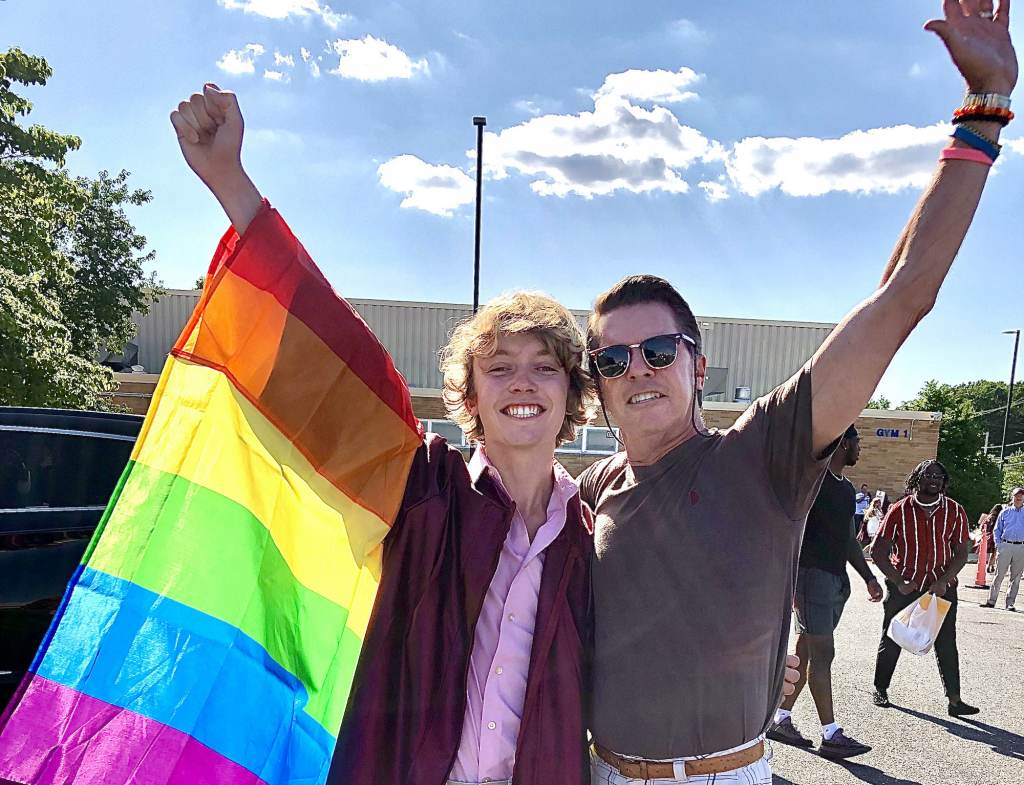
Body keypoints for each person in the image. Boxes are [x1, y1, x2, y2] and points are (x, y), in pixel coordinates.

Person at [579, 4, 1014, 781]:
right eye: (612, 361)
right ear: (599, 387)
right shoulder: (589, 489)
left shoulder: (761, 453)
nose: (636, 369)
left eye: (655, 350)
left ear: (697, 364)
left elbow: (901, 295)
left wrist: (981, 113)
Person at [170, 85, 600, 785]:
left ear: (572, 394)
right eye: (500, 369)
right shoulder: (424, 489)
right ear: (470, 396)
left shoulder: (586, 534)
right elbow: (332, 355)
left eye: (544, 368)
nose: (523, 384)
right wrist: (230, 181)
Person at [768, 426, 882, 759]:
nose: (860, 449)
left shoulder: (845, 490)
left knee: (805, 650)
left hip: (834, 579)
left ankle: (781, 719)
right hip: (810, 579)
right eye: (858, 443)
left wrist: (868, 577)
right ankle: (831, 734)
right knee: (823, 654)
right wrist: (787, 581)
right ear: (844, 444)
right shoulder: (811, 483)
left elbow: (848, 539)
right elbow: (787, 530)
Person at [869, 460, 978, 716]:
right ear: (917, 478)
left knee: (946, 642)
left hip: (941, 587)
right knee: (892, 636)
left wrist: (944, 581)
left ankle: (955, 700)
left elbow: (962, 552)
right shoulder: (899, 510)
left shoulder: (955, 511)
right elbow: (878, 551)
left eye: (939, 476)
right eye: (928, 475)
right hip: (906, 586)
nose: (934, 480)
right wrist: (898, 581)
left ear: (944, 481)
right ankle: (880, 689)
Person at [983, 487, 1024, 610]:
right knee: (999, 575)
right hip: (1005, 545)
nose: (1019, 498)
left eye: (1021, 496)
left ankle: (1010, 603)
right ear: (1012, 497)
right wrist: (999, 544)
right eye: (1016, 495)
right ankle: (991, 601)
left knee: (1015, 578)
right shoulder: (1005, 512)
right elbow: (997, 529)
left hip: (1021, 547)